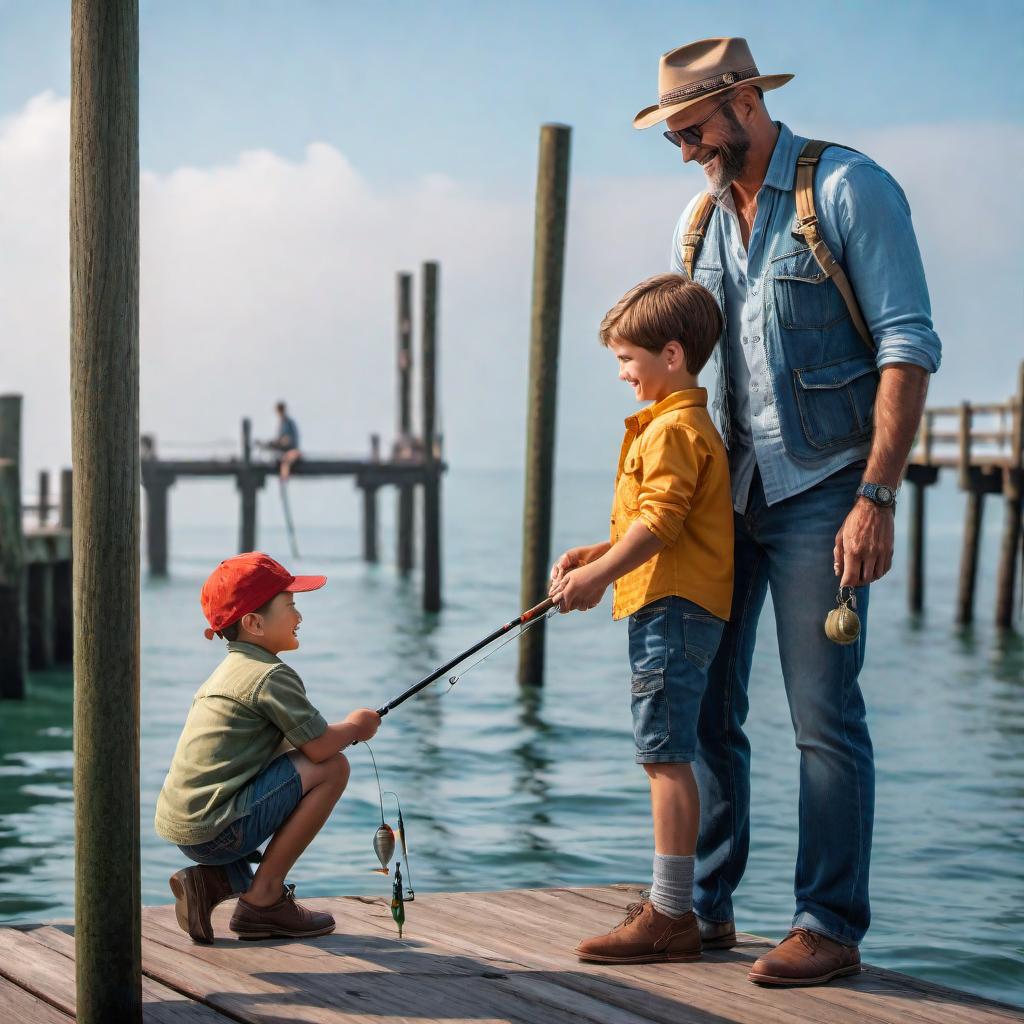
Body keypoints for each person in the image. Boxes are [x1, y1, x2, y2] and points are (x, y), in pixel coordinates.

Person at [633, 37, 941, 984]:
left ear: (743, 103)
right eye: (674, 135)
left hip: (825, 494)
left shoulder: (850, 190)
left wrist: (875, 496)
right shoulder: (697, 222)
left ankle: (828, 923)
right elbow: (674, 371)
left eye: (692, 130)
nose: (685, 150)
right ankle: (698, 912)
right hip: (728, 498)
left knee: (822, 717)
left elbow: (907, 345)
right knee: (709, 709)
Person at [550, 273, 733, 964]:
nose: (623, 373)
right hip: (678, 602)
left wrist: (599, 576)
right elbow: (665, 520)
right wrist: (597, 550)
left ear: (674, 355)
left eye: (629, 359)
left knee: (664, 757)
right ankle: (679, 906)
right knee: (669, 754)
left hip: (672, 609)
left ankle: (671, 914)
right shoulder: (681, 425)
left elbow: (659, 522)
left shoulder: (672, 430)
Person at [154, 551, 381, 943]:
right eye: (291, 605)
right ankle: (264, 900)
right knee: (333, 768)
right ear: (254, 623)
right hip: (214, 831)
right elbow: (321, 748)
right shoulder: (270, 676)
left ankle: (210, 881)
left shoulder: (227, 672)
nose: (299, 617)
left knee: (289, 761)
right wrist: (359, 725)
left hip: (188, 828)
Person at [268, 401, 301, 480]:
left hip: (293, 451)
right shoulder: (281, 424)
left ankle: (284, 479)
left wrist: (277, 443)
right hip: (283, 452)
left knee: (285, 461)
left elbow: (287, 440)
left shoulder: (288, 423)